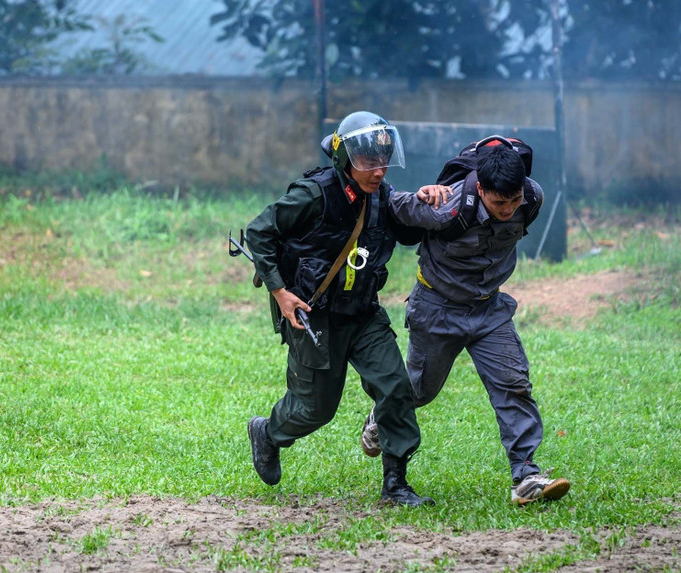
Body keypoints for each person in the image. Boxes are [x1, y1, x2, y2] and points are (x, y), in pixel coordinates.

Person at [243, 111, 434, 507]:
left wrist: (425, 201)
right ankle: (268, 432)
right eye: (367, 162)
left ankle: (396, 486)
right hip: (312, 315)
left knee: (395, 388)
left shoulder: (380, 197)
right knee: (316, 409)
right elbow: (260, 231)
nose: (378, 171)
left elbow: (409, 232)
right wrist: (280, 292)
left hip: (363, 313)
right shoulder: (313, 195)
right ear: (344, 160)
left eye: (383, 161)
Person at [365, 140, 570, 505]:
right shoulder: (448, 206)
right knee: (418, 391)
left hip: (489, 309)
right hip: (437, 308)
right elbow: (393, 203)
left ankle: (525, 475)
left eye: (513, 201)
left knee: (513, 383)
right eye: (498, 203)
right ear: (480, 189)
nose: (508, 209)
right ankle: (382, 415)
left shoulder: (532, 198)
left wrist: (516, 203)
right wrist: (423, 192)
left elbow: (518, 208)